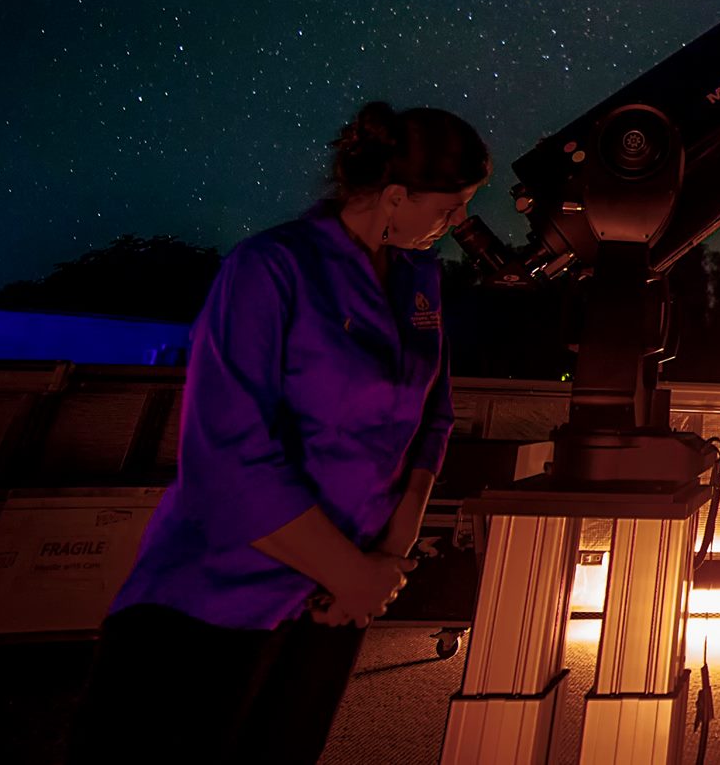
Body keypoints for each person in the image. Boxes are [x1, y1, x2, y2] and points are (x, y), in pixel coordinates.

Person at [70, 102, 490, 764]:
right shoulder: (269, 268)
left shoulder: (419, 280)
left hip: (334, 605)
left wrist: (388, 555)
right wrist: (349, 570)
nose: (459, 220)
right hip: (215, 599)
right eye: (452, 203)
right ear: (395, 195)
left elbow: (431, 418)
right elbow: (229, 457)